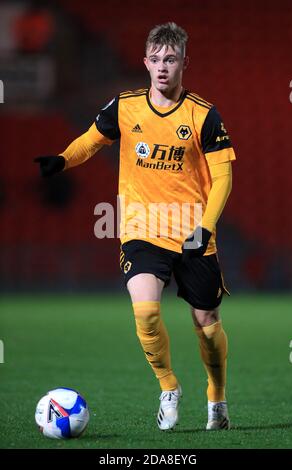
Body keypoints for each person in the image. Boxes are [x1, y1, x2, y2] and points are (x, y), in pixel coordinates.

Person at [34, 22, 236, 431]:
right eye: (156, 59)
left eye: (171, 59)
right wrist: (63, 159)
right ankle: (169, 386)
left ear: (184, 63)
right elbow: (92, 140)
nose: (163, 67)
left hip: (193, 231)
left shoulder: (203, 114)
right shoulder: (124, 107)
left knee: (207, 323)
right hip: (141, 227)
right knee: (145, 309)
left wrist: (207, 228)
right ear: (145, 62)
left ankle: (216, 395)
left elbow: (224, 178)